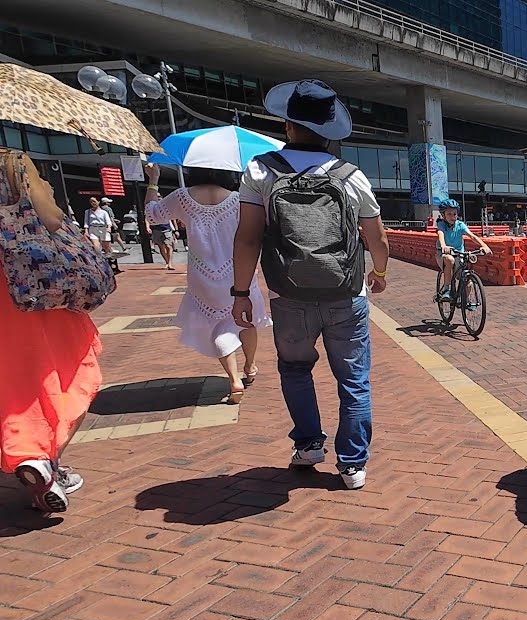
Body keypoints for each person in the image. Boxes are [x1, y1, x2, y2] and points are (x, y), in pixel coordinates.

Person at [231, 78, 390, 492]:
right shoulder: (351, 177)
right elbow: (378, 240)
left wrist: (240, 293)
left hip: (289, 295)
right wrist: (380, 272)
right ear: (330, 129)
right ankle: (352, 464)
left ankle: (308, 445)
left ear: (288, 125)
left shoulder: (260, 170)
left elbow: (247, 237)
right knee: (354, 381)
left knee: (296, 370)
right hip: (346, 295)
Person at [0, 150, 102, 513]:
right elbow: (51, 219)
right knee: (71, 370)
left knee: (9, 378)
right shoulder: (11, 161)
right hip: (26, 284)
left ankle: (26, 451)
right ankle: (45, 460)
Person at [145, 162, 271, 405]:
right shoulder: (239, 198)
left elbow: (152, 213)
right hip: (239, 271)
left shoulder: (183, 197)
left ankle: (233, 378)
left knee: (217, 325)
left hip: (202, 275)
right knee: (246, 321)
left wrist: (153, 180)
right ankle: (250, 365)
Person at [434, 198, 491, 300]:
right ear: (443, 215)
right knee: (449, 260)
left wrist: (484, 245)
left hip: (458, 254)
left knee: (468, 282)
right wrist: (443, 246)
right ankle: (447, 289)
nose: (453, 217)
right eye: (449, 214)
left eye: (454, 214)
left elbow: (472, 236)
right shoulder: (441, 224)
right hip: (444, 254)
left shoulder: (460, 225)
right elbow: (440, 234)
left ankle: (463, 301)